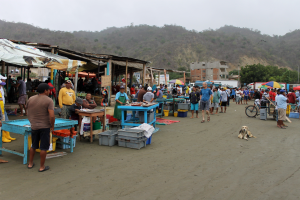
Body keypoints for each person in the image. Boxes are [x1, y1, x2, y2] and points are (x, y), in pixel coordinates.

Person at [27, 83, 55, 172]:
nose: (49, 91)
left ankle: (30, 163)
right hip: (45, 126)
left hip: (34, 126)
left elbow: (28, 111)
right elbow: (52, 116)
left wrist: (32, 121)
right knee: (44, 147)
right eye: (48, 89)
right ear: (45, 91)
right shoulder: (49, 100)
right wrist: (52, 125)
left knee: (33, 145)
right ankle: (42, 166)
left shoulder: (30, 99)